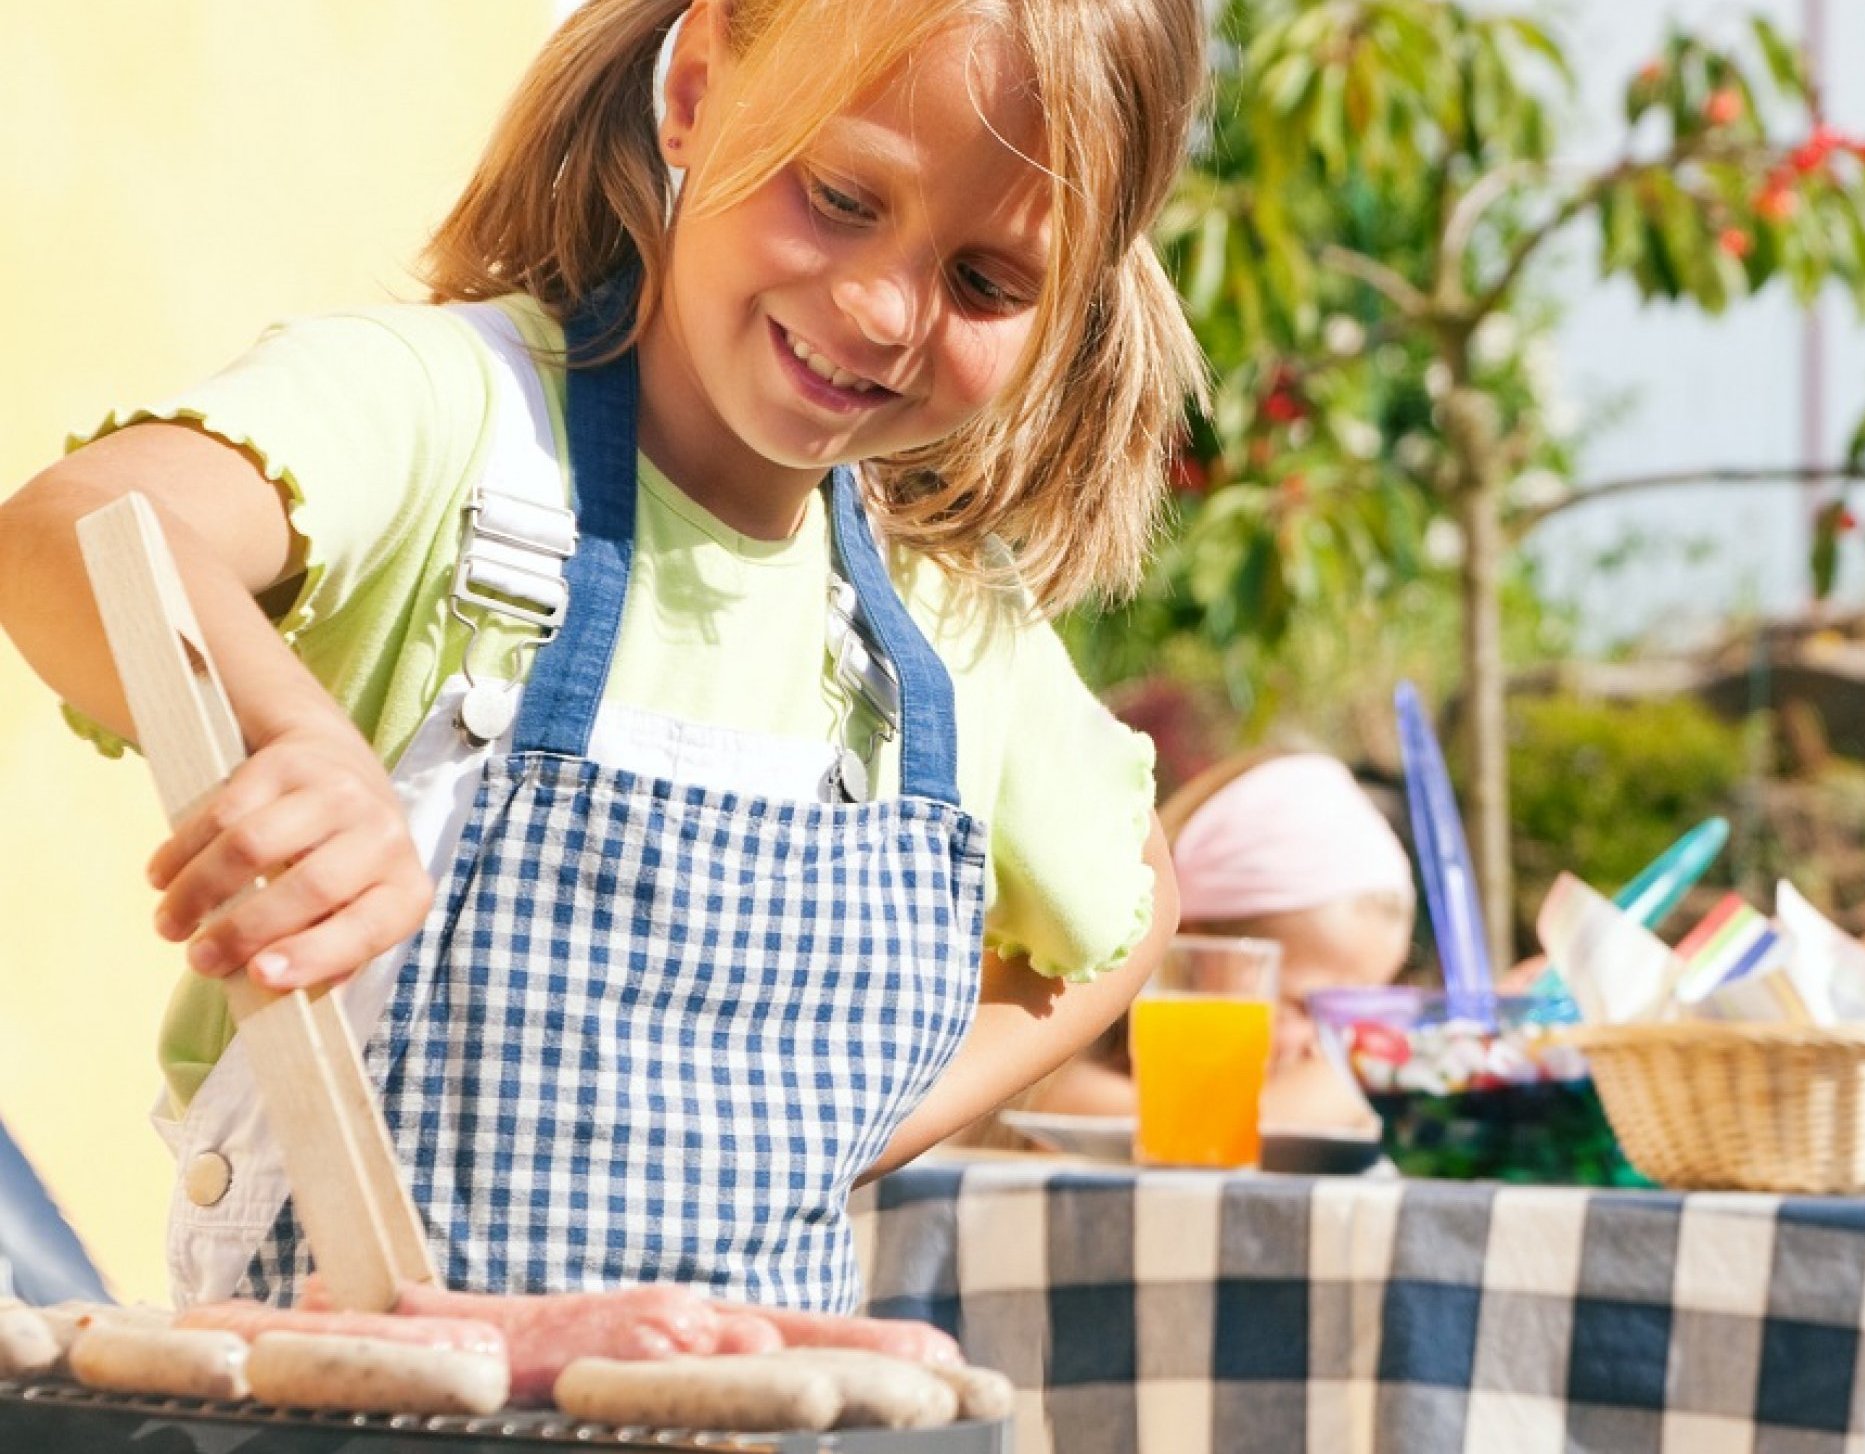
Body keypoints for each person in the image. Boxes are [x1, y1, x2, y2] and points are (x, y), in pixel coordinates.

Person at [0, 0, 1205, 1310]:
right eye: (842, 195)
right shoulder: (451, 422)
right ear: (693, 87)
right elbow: (74, 527)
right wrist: (296, 733)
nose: (879, 306)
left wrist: (840, 1135)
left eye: (985, 282)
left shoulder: (943, 619)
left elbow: (1127, 906)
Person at [1024, 749, 1417, 1135]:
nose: (1330, 1048)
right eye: (1306, 1007)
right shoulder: (1052, 1082)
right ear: (1187, 956)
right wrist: (1339, 1089)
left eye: (1358, 1013)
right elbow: (1199, 1135)